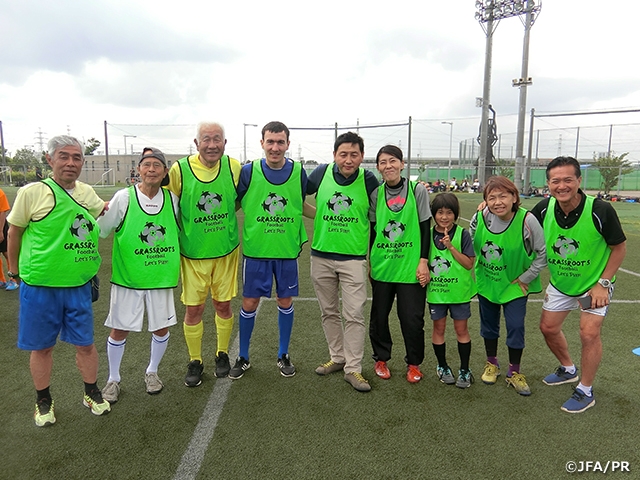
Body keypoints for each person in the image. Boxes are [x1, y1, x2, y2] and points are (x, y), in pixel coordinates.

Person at [7, 135, 110, 426]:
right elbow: (13, 232)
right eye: (64, 156)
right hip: (40, 286)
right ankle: (43, 399)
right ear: (49, 159)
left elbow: (106, 210)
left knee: (86, 344)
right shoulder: (32, 192)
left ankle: (91, 392)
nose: (71, 163)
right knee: (42, 347)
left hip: (78, 284)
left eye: (77, 157)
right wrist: (13, 271)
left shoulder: (86, 192)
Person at [531, 156, 626, 413]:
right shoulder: (542, 209)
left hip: (592, 287)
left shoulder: (600, 209)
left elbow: (618, 248)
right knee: (548, 328)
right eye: (555, 181)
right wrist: (489, 202)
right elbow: (519, 222)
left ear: (579, 181)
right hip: (561, 284)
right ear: (548, 184)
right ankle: (568, 369)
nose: (561, 186)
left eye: (567, 180)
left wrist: (603, 283)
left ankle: (585, 389)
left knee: (588, 332)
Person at [98, 148, 180, 403]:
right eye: (147, 165)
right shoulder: (123, 198)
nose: (152, 169)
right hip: (128, 279)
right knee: (119, 329)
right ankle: (113, 379)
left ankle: (152, 372)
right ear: (139, 170)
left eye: (157, 165)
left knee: (161, 327)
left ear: (165, 172)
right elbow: (102, 230)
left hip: (160, 278)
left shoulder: (172, 200)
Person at [232, 121, 312, 379]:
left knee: (285, 301)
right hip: (256, 251)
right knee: (249, 302)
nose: (275, 147)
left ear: (288, 144)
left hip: (286, 251)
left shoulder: (299, 171)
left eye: (280, 142)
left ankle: (283, 354)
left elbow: (300, 206)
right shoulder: (248, 171)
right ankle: (243, 356)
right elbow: (233, 206)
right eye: (271, 141)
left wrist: (327, 218)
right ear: (262, 143)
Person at [167, 122, 241, 386]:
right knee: (194, 309)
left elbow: (240, 199)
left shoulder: (234, 167)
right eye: (206, 139)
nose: (212, 145)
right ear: (197, 144)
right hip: (193, 255)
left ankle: (222, 354)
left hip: (225, 252)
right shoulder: (180, 170)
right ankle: (195, 360)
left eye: (217, 139)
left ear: (224, 142)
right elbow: (166, 204)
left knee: (223, 305)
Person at [307, 132, 379, 392]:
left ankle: (354, 369)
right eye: (343, 154)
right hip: (321, 257)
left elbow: (386, 211)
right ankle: (337, 358)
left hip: (354, 260)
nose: (348, 160)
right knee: (329, 312)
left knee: (354, 315)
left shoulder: (369, 180)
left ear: (361, 156)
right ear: (334, 154)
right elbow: (293, 195)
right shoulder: (321, 173)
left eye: (354, 154)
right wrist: (318, 214)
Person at [470, 176, 546, 396]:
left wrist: (525, 277)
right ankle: (491, 364)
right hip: (488, 282)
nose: (497, 202)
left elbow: (542, 254)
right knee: (488, 326)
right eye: (491, 197)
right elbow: (471, 240)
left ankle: (515, 372)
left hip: (515, 285)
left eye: (503, 196)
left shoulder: (527, 221)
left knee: (515, 327)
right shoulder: (481, 216)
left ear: (514, 197)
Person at [368, 145, 431, 384]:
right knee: (379, 317)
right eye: (383, 162)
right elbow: (374, 232)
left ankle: (414, 364)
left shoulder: (417, 191)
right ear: (378, 168)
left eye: (392, 161)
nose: (388, 166)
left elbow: (426, 227)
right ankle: (381, 358)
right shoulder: (376, 194)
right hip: (383, 266)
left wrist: (423, 261)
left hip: (411, 267)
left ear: (402, 164)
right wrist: (371, 262)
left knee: (412, 319)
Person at [427, 193, 476, 388]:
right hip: (437, 293)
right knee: (438, 329)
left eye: (449, 212)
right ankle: (442, 366)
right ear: (434, 214)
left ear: (455, 214)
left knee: (461, 330)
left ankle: (465, 369)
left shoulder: (462, 234)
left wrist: (451, 247)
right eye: (440, 212)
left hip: (459, 293)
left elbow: (468, 264)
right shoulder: (428, 233)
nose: (444, 217)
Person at [0, 187, 18, 290]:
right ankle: (1, 280)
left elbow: (2, 212)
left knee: (7, 253)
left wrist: (0, 231)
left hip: (1, 226)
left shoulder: (0, 193)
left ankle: (14, 280)